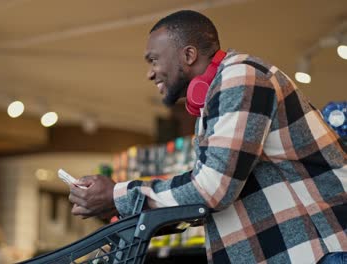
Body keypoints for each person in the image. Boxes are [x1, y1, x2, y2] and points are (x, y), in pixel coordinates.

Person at [68, 10, 347, 264]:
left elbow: (212, 189)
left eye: (154, 60)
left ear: (188, 56)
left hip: (322, 251)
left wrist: (119, 195)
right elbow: (228, 191)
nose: (150, 73)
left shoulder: (241, 76)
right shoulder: (218, 96)